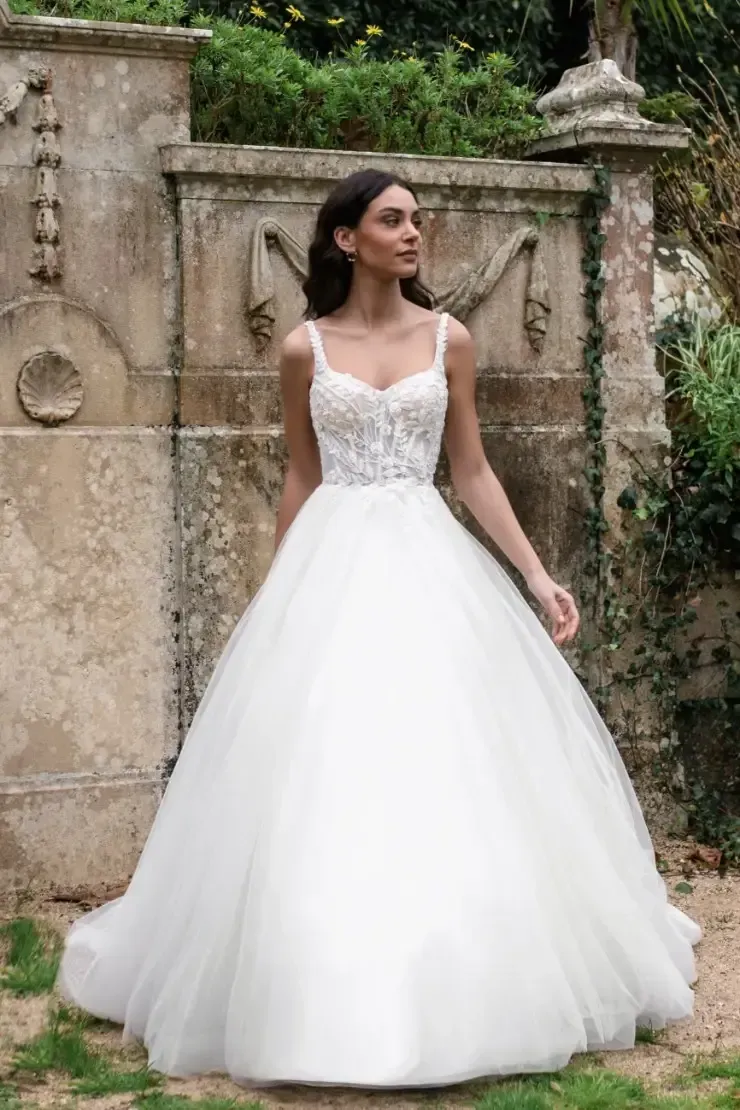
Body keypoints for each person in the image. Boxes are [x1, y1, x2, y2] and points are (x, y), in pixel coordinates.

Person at [59, 168, 701, 1089]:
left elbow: (471, 469)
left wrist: (535, 573)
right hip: (332, 562)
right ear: (345, 238)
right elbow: (301, 475)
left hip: (429, 559)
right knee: (325, 759)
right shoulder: (303, 349)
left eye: (415, 220)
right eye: (392, 219)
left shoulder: (450, 338)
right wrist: (280, 596)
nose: (411, 233)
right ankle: (315, 977)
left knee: (447, 749)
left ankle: (464, 970)